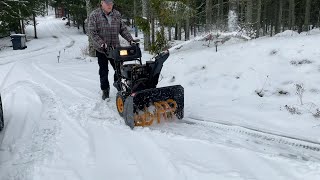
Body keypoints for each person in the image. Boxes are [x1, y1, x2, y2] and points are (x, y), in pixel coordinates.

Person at [88, 0, 133, 100]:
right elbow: (92, 32)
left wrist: (130, 40)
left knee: (119, 69)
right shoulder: (94, 15)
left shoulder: (117, 14)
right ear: (102, 3)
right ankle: (105, 90)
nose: (109, 5)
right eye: (107, 3)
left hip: (116, 48)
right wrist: (101, 43)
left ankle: (119, 86)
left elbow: (123, 29)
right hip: (102, 50)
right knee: (104, 71)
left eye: (111, 3)